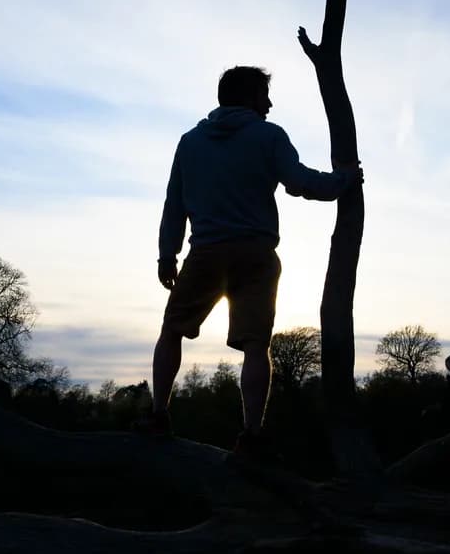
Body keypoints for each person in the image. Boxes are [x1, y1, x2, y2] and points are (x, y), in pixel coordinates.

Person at [139, 65, 361, 457]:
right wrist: (343, 180)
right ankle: (252, 435)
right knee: (257, 346)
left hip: (204, 252)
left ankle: (158, 415)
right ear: (250, 97)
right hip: (256, 253)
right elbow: (300, 182)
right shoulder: (268, 136)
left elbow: (174, 205)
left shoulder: (189, 142)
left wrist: (166, 255)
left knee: (172, 330)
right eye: (265, 96)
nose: (270, 105)